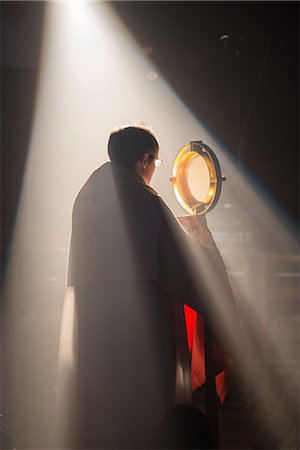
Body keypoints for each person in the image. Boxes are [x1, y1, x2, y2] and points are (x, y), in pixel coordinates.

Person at [55, 124, 243, 449]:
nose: (155, 170)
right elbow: (184, 262)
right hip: (139, 323)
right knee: (144, 404)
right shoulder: (144, 199)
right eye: (155, 163)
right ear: (144, 159)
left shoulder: (84, 198)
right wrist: (204, 243)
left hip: (91, 322)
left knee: (100, 403)